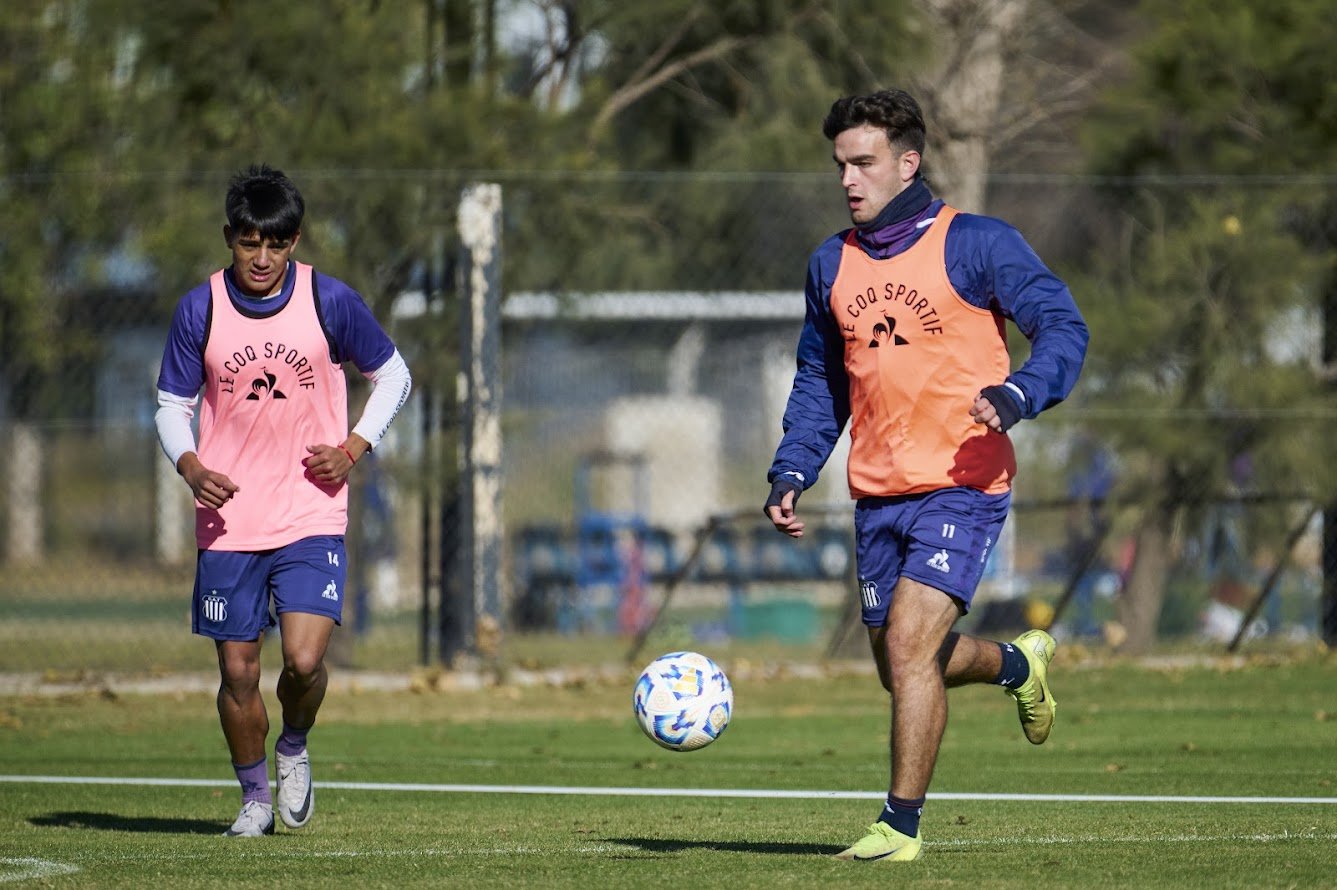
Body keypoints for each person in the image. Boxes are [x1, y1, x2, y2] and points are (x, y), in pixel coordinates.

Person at [763, 90, 1087, 862]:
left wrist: (1018, 393)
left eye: (863, 162)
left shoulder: (976, 244)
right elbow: (821, 380)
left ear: (907, 163)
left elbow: (1061, 327)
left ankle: (897, 828)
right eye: (840, 165)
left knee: (910, 645)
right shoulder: (829, 264)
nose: (848, 179)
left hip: (964, 483)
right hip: (877, 493)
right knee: (901, 665)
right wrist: (793, 466)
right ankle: (1017, 664)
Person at [154, 165, 412, 837]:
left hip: (310, 511)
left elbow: (393, 376)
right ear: (230, 238)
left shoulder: (330, 300)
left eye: (275, 243)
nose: (262, 257)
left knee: (302, 660)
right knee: (239, 672)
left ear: (293, 241)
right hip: (229, 519)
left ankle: (293, 744)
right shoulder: (200, 308)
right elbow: (171, 405)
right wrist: (189, 464)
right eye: (249, 242)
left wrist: (353, 447)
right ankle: (254, 800)